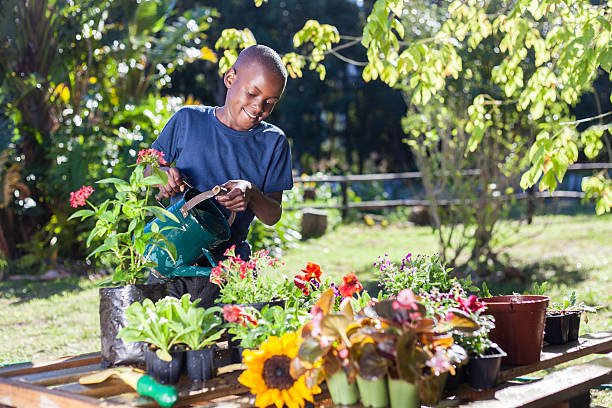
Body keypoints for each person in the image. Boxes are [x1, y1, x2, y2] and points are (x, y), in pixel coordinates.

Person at [147, 44, 293, 307]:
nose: (258, 107)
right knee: (163, 341)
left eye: (269, 103)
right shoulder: (187, 121)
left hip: (230, 269)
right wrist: (163, 176)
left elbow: (273, 215)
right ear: (230, 79)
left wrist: (251, 194)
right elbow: (146, 170)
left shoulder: (274, 142)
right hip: (171, 257)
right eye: (252, 93)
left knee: (226, 344)